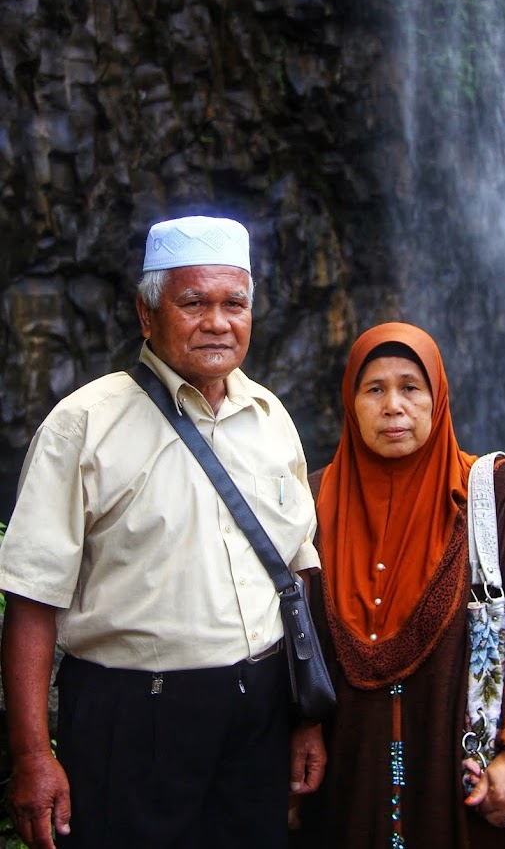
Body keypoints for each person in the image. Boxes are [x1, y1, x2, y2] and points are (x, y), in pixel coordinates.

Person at [0, 214, 326, 849]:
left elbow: (298, 573)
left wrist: (305, 718)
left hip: (258, 714)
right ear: (147, 317)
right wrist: (33, 756)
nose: (217, 321)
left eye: (234, 303)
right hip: (132, 718)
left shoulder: (270, 417)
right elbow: (33, 600)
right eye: (193, 302)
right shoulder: (84, 425)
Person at [290, 321, 505, 849]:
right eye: (373, 389)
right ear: (350, 402)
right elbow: (286, 640)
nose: (393, 406)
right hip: (342, 782)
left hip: (468, 785)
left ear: (437, 397)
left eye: (410, 387)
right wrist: (298, 729)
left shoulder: (491, 492)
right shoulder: (310, 504)